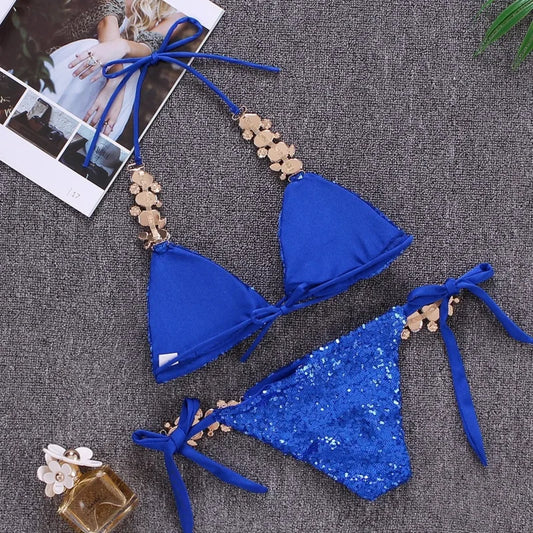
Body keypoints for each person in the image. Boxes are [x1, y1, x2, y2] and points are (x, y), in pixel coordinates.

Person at [42, 0, 184, 140]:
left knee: (132, 73)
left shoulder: (178, 12)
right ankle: (48, 117)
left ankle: (81, 140)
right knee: (92, 46)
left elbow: (148, 46)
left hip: (107, 78)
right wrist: (117, 84)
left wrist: (123, 46)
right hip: (70, 59)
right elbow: (106, 20)